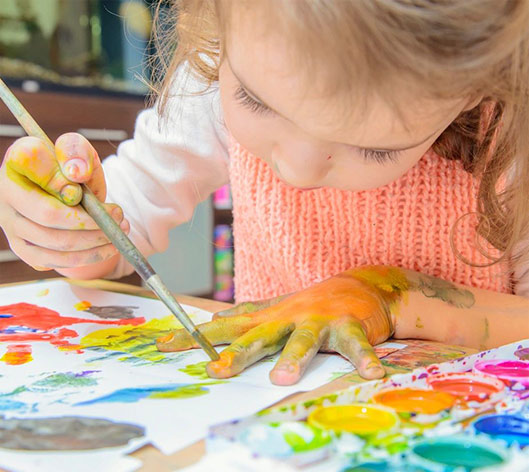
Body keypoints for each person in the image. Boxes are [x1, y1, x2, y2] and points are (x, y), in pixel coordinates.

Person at [1, 0, 529, 386]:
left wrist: (392, 295)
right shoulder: (216, 73)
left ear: (477, 87)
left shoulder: (513, 136)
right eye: (255, 100)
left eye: (374, 149)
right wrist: (71, 225)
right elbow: (121, 233)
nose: (295, 170)